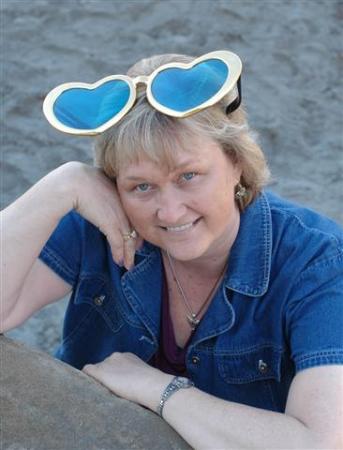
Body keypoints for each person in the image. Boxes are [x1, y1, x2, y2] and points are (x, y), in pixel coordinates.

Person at [2, 50, 342, 449]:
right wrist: (63, 185)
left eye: (189, 176)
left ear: (236, 162)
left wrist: (161, 390)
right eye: (141, 186)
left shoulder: (318, 261)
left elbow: (321, 442)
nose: (169, 210)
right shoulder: (102, 221)